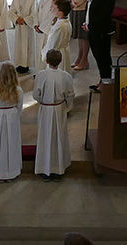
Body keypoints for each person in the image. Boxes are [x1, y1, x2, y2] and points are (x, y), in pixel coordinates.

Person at [34, 49, 74, 180]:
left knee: (45, 138)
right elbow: (70, 95)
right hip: (59, 109)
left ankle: (44, 169)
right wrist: (67, 107)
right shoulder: (66, 76)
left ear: (46, 60)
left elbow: (36, 95)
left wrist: (43, 102)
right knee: (59, 137)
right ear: (61, 61)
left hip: (45, 109)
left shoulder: (40, 75)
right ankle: (58, 169)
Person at [0, 62, 23, 182]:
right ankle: (11, 172)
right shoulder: (18, 90)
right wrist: (12, 117)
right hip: (12, 117)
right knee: (11, 144)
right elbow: (19, 108)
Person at [86, 0, 116, 88]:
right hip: (92, 29)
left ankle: (105, 83)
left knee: (103, 57)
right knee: (98, 57)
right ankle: (103, 81)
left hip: (101, 32)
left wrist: (91, 26)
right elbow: (90, 9)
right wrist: (86, 23)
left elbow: (103, 16)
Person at [9, 0, 37, 74]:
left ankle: (26, 65)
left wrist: (24, 20)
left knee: (27, 45)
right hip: (19, 26)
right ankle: (19, 63)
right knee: (19, 45)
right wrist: (16, 19)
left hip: (27, 27)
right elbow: (11, 11)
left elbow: (34, 14)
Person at [43, 0, 72, 73]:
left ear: (60, 12)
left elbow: (53, 43)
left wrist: (47, 55)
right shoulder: (65, 21)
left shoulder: (60, 26)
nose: (51, 8)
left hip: (56, 55)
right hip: (63, 51)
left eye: (53, 7)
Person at [35, 0, 58, 68]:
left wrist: (41, 28)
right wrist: (36, 24)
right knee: (38, 51)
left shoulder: (54, 1)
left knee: (45, 50)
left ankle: (44, 70)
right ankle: (38, 70)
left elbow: (51, 18)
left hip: (46, 31)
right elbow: (36, 12)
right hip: (39, 28)